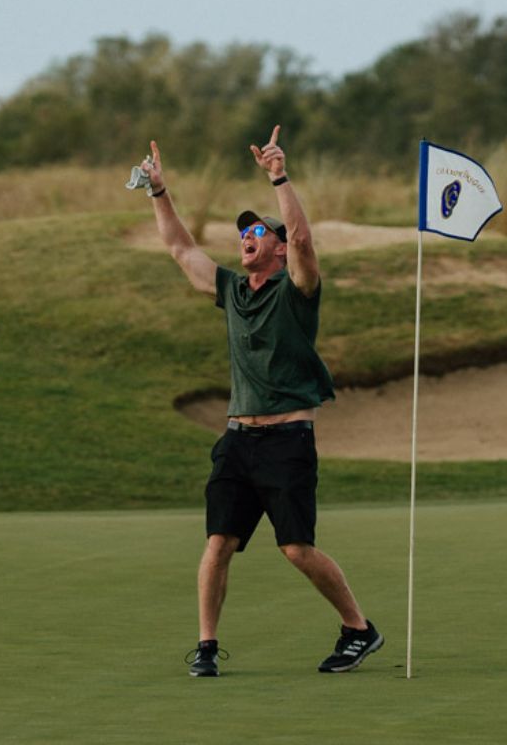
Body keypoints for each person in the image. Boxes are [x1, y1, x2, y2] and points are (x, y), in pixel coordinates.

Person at [140, 125, 383, 678]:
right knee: (218, 542)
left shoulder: (297, 290)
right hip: (237, 440)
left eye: (258, 231)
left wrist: (279, 175)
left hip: (287, 439)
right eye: (244, 231)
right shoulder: (230, 290)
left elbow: (302, 240)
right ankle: (206, 647)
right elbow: (180, 248)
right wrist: (159, 191)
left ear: (275, 248)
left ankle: (358, 629)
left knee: (296, 548)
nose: (247, 235)